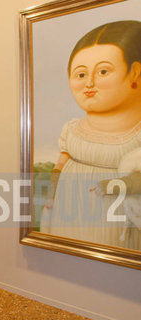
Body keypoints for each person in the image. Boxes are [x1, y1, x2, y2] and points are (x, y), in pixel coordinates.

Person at [41, 20, 141, 249]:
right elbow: (61, 162)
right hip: (66, 213)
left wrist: (115, 185)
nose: (89, 83)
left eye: (103, 71)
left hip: (114, 222)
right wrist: (52, 189)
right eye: (80, 74)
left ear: (134, 72)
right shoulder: (72, 128)